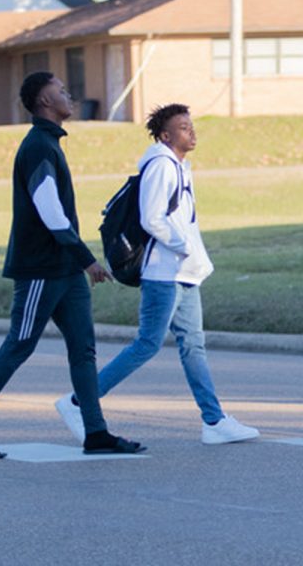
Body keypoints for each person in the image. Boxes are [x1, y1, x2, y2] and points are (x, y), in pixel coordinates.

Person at [0, 72, 145, 459]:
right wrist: (86, 259)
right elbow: (50, 212)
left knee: (84, 350)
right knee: (18, 346)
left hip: (65, 270)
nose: (68, 95)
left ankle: (96, 432)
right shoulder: (37, 146)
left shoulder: (50, 143)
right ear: (43, 102)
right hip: (40, 268)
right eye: (60, 91)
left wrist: (77, 263)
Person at [56, 103, 259, 445]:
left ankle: (214, 420)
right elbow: (152, 218)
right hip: (164, 273)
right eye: (183, 127)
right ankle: (80, 401)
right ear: (166, 136)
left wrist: (190, 255)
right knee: (148, 344)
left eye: (191, 125)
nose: (191, 131)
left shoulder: (180, 167)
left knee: (193, 346)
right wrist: (182, 246)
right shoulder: (161, 166)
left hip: (184, 273)